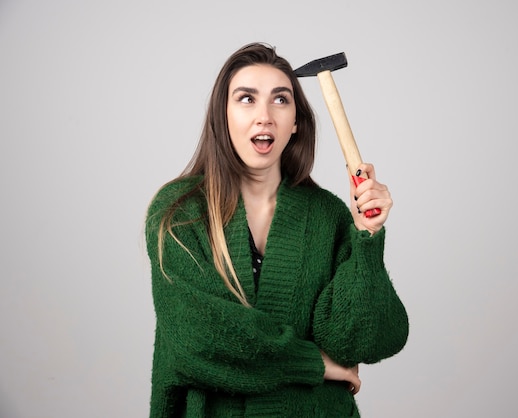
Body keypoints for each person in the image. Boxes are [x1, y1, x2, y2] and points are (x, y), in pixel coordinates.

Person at [144, 42, 409, 418]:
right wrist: (313, 363)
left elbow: (366, 340)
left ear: (296, 121)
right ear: (223, 115)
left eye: (281, 100)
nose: (265, 116)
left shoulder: (328, 215)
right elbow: (198, 340)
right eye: (247, 99)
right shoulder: (180, 212)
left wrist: (366, 236)